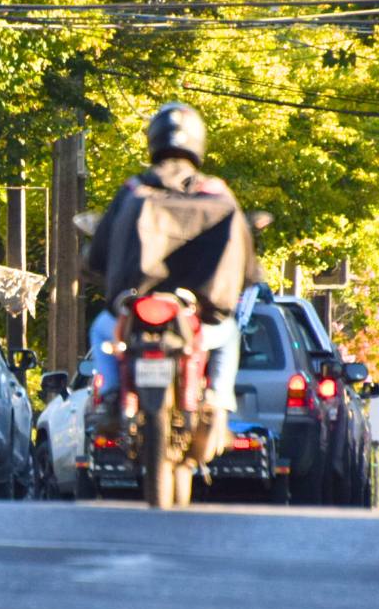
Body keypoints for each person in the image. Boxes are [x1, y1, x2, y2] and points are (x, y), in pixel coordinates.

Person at [83, 102, 258, 464]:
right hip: (194, 312)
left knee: (101, 331)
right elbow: (241, 243)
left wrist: (96, 267)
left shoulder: (134, 190)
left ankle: (113, 394)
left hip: (138, 305)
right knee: (228, 337)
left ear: (154, 140)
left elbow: (101, 244)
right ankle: (217, 402)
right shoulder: (217, 192)